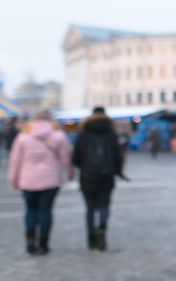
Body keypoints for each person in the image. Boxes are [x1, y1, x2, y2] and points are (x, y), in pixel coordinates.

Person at [7, 110, 75, 255]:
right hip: (51, 180)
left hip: (28, 179)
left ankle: (30, 242)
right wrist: (70, 174)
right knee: (46, 211)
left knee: (30, 210)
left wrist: (13, 179)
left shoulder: (23, 136)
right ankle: (44, 244)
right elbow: (66, 159)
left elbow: (15, 161)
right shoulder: (58, 136)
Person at [71, 106, 124, 252]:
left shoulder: (84, 133)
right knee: (104, 206)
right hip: (107, 175)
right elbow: (117, 156)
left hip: (87, 176)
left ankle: (91, 238)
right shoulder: (111, 133)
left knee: (89, 208)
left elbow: (75, 157)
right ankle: (102, 227)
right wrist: (117, 171)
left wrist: (84, 167)